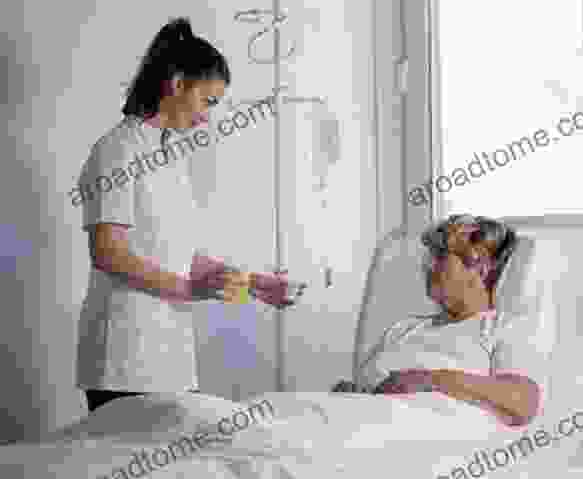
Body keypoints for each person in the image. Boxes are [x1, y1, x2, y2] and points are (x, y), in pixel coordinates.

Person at [75, 17, 299, 412]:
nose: (205, 118)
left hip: (170, 356)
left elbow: (179, 256)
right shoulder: (117, 151)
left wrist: (254, 284)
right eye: (207, 101)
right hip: (125, 360)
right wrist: (190, 291)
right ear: (176, 84)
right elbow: (108, 252)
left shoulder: (167, 156)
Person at [334, 214, 550, 428]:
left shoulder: (502, 328)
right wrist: (351, 394)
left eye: (440, 256)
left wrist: (428, 380)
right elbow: (367, 390)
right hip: (358, 425)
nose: (428, 266)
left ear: (479, 267)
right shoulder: (403, 329)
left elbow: (523, 401)